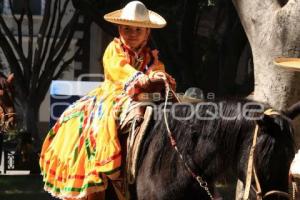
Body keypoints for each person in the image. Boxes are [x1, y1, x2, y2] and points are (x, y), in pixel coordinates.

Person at [39, 1, 176, 200]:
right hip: (114, 93)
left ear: (148, 32)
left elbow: (157, 71)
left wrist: (158, 77)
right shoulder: (114, 48)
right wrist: (143, 79)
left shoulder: (150, 57)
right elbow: (118, 69)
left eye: (139, 29)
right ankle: (103, 167)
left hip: (141, 95)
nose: (133, 33)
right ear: (120, 29)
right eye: (127, 28)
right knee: (103, 121)